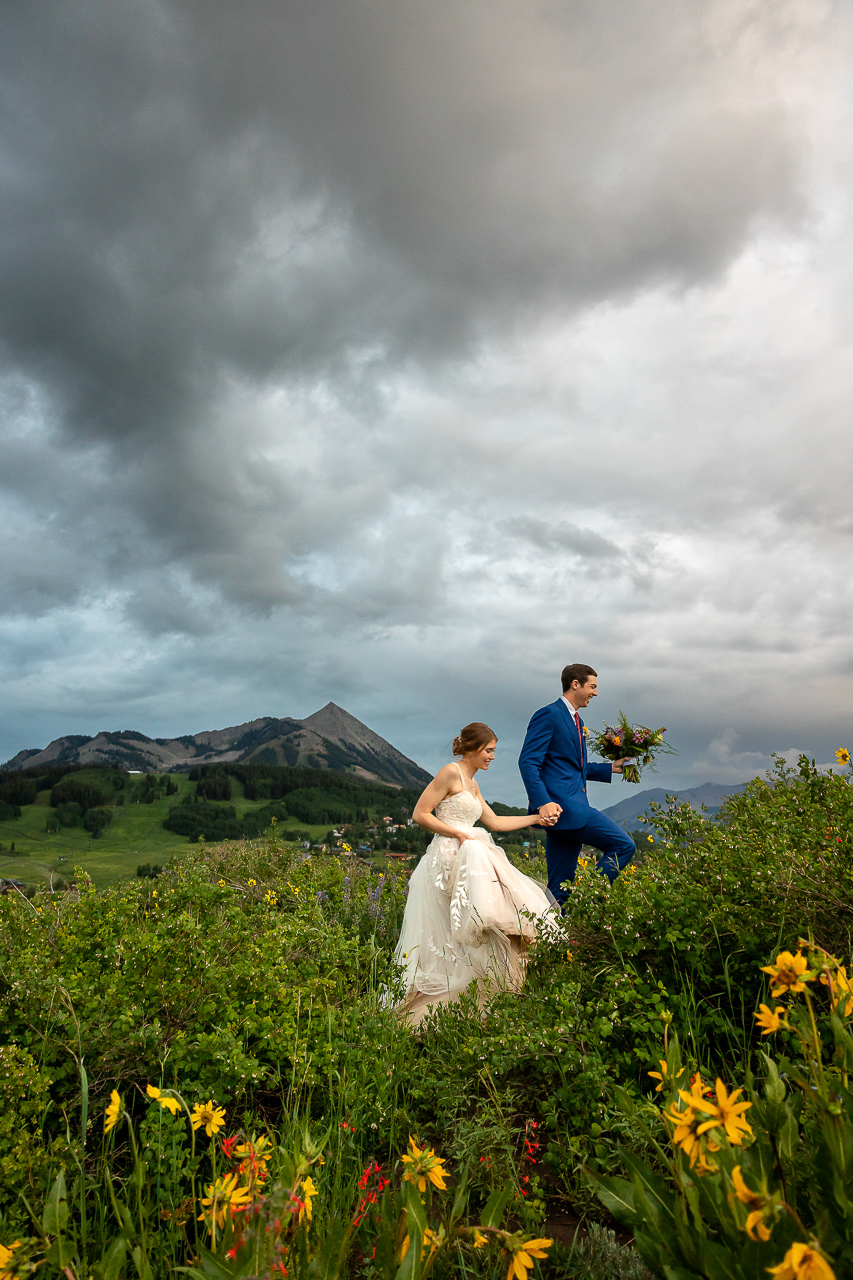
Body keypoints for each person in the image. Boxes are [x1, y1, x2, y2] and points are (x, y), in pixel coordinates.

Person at [394, 722, 559, 1027]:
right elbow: (420, 814)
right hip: (448, 857)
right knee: (449, 934)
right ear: (471, 748)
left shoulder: (472, 782)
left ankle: (487, 996)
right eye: (489, 750)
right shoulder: (450, 772)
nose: (492, 757)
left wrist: (537, 818)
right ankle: (428, 1007)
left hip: (472, 855)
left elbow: (494, 822)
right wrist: (458, 834)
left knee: (477, 929)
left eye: (493, 751)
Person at [518, 663, 636, 907]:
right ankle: (586, 902)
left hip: (566, 814)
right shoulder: (549, 714)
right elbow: (528, 762)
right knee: (623, 845)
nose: (595, 693)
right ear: (575, 684)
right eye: (592, 686)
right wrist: (543, 803)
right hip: (565, 808)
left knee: (559, 887)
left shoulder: (576, 720)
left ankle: (555, 937)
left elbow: (569, 766)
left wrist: (610, 768)